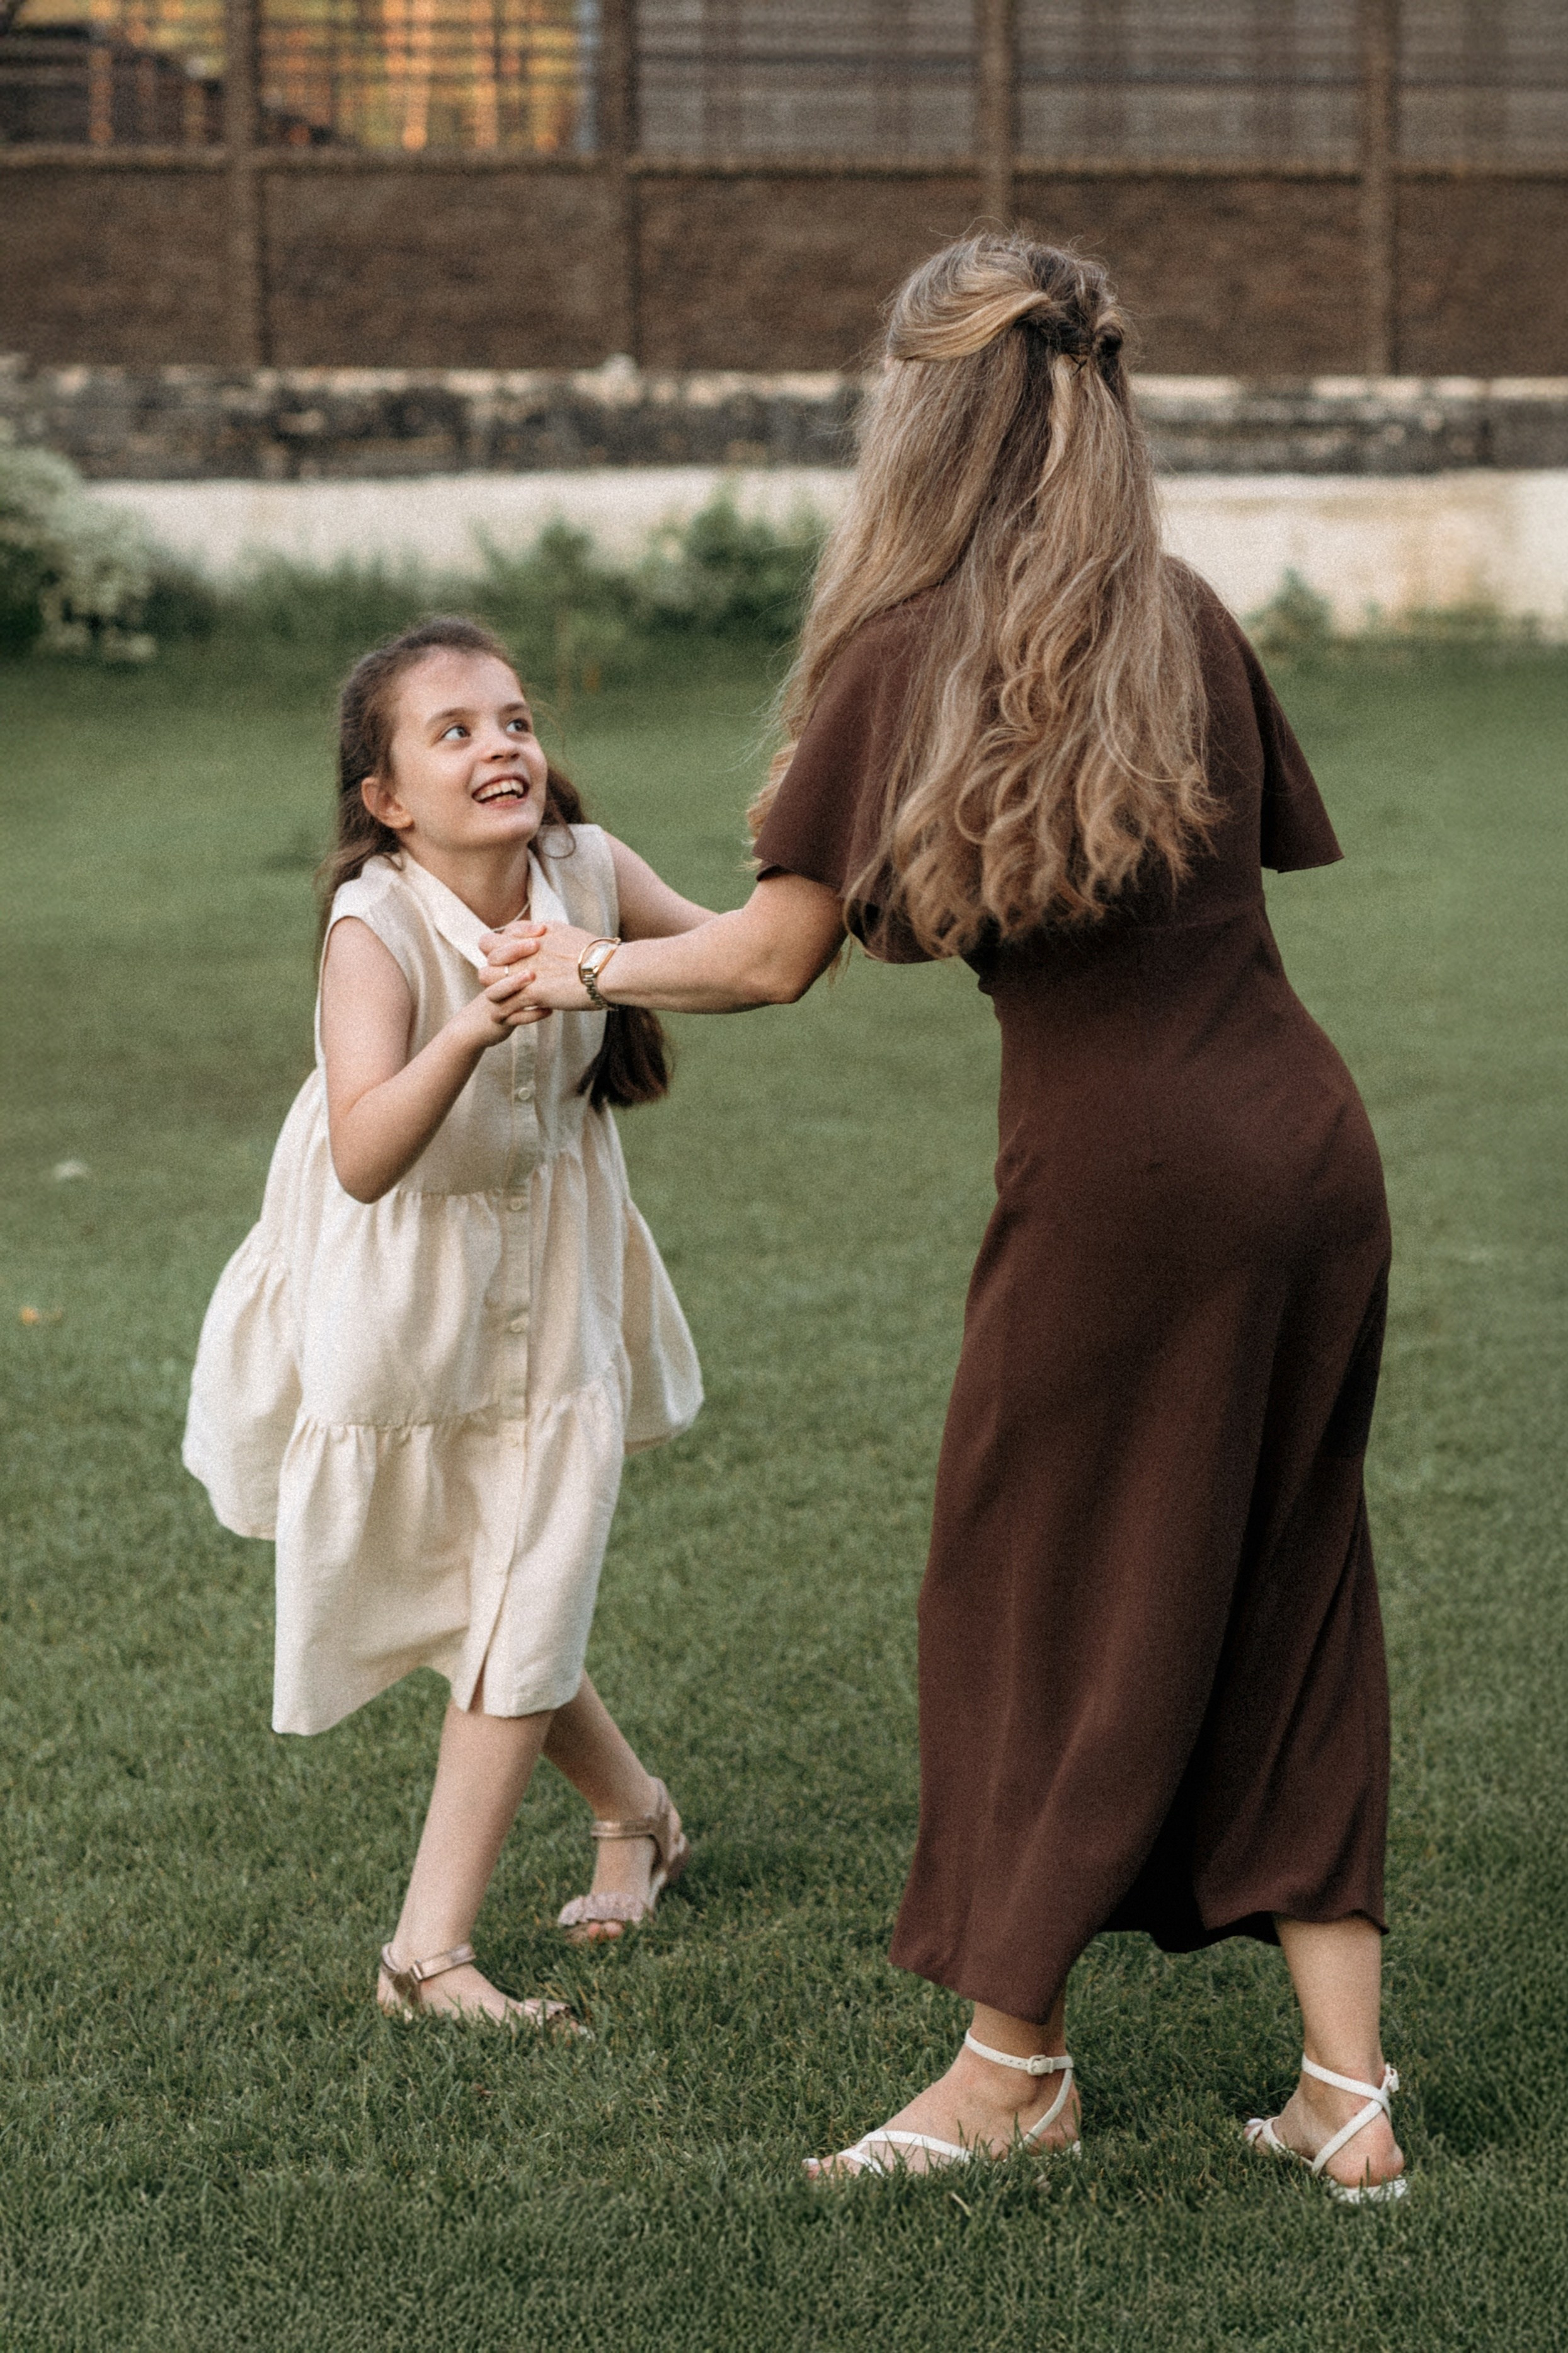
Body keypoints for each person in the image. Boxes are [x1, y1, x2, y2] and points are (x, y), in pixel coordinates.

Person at [486, 236, 1407, 2197]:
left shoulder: (912, 645)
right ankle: (1347, 2094)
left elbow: (765, 960)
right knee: (1292, 1576)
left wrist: (575, 971)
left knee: (1021, 1592)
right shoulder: (1179, 614)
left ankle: (1013, 2065)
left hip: (1128, 1185)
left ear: (922, 414)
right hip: (1311, 1152)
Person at [183, 616, 709, 2025]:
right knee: (482, 1583)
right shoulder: (376, 924)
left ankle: (425, 1955)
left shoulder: (588, 869)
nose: (503, 747)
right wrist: (475, 1023)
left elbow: (735, 952)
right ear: (389, 798)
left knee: (524, 1573)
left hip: (553, 1266)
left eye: (518, 720)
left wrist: (795, 871)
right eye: (456, 730)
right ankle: (639, 1813)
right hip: (401, 1288)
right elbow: (362, 1154)